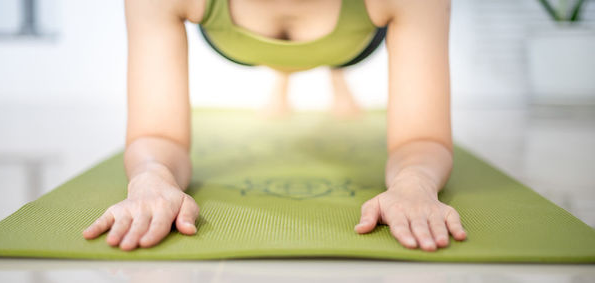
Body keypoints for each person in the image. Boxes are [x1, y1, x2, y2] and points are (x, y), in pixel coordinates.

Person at [82, 0, 467, 252]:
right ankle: (283, 76)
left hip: (353, 41)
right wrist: (152, 177)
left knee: (336, 61)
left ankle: (333, 75)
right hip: (237, 42)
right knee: (282, 66)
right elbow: (158, 135)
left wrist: (414, 183)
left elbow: (422, 138)